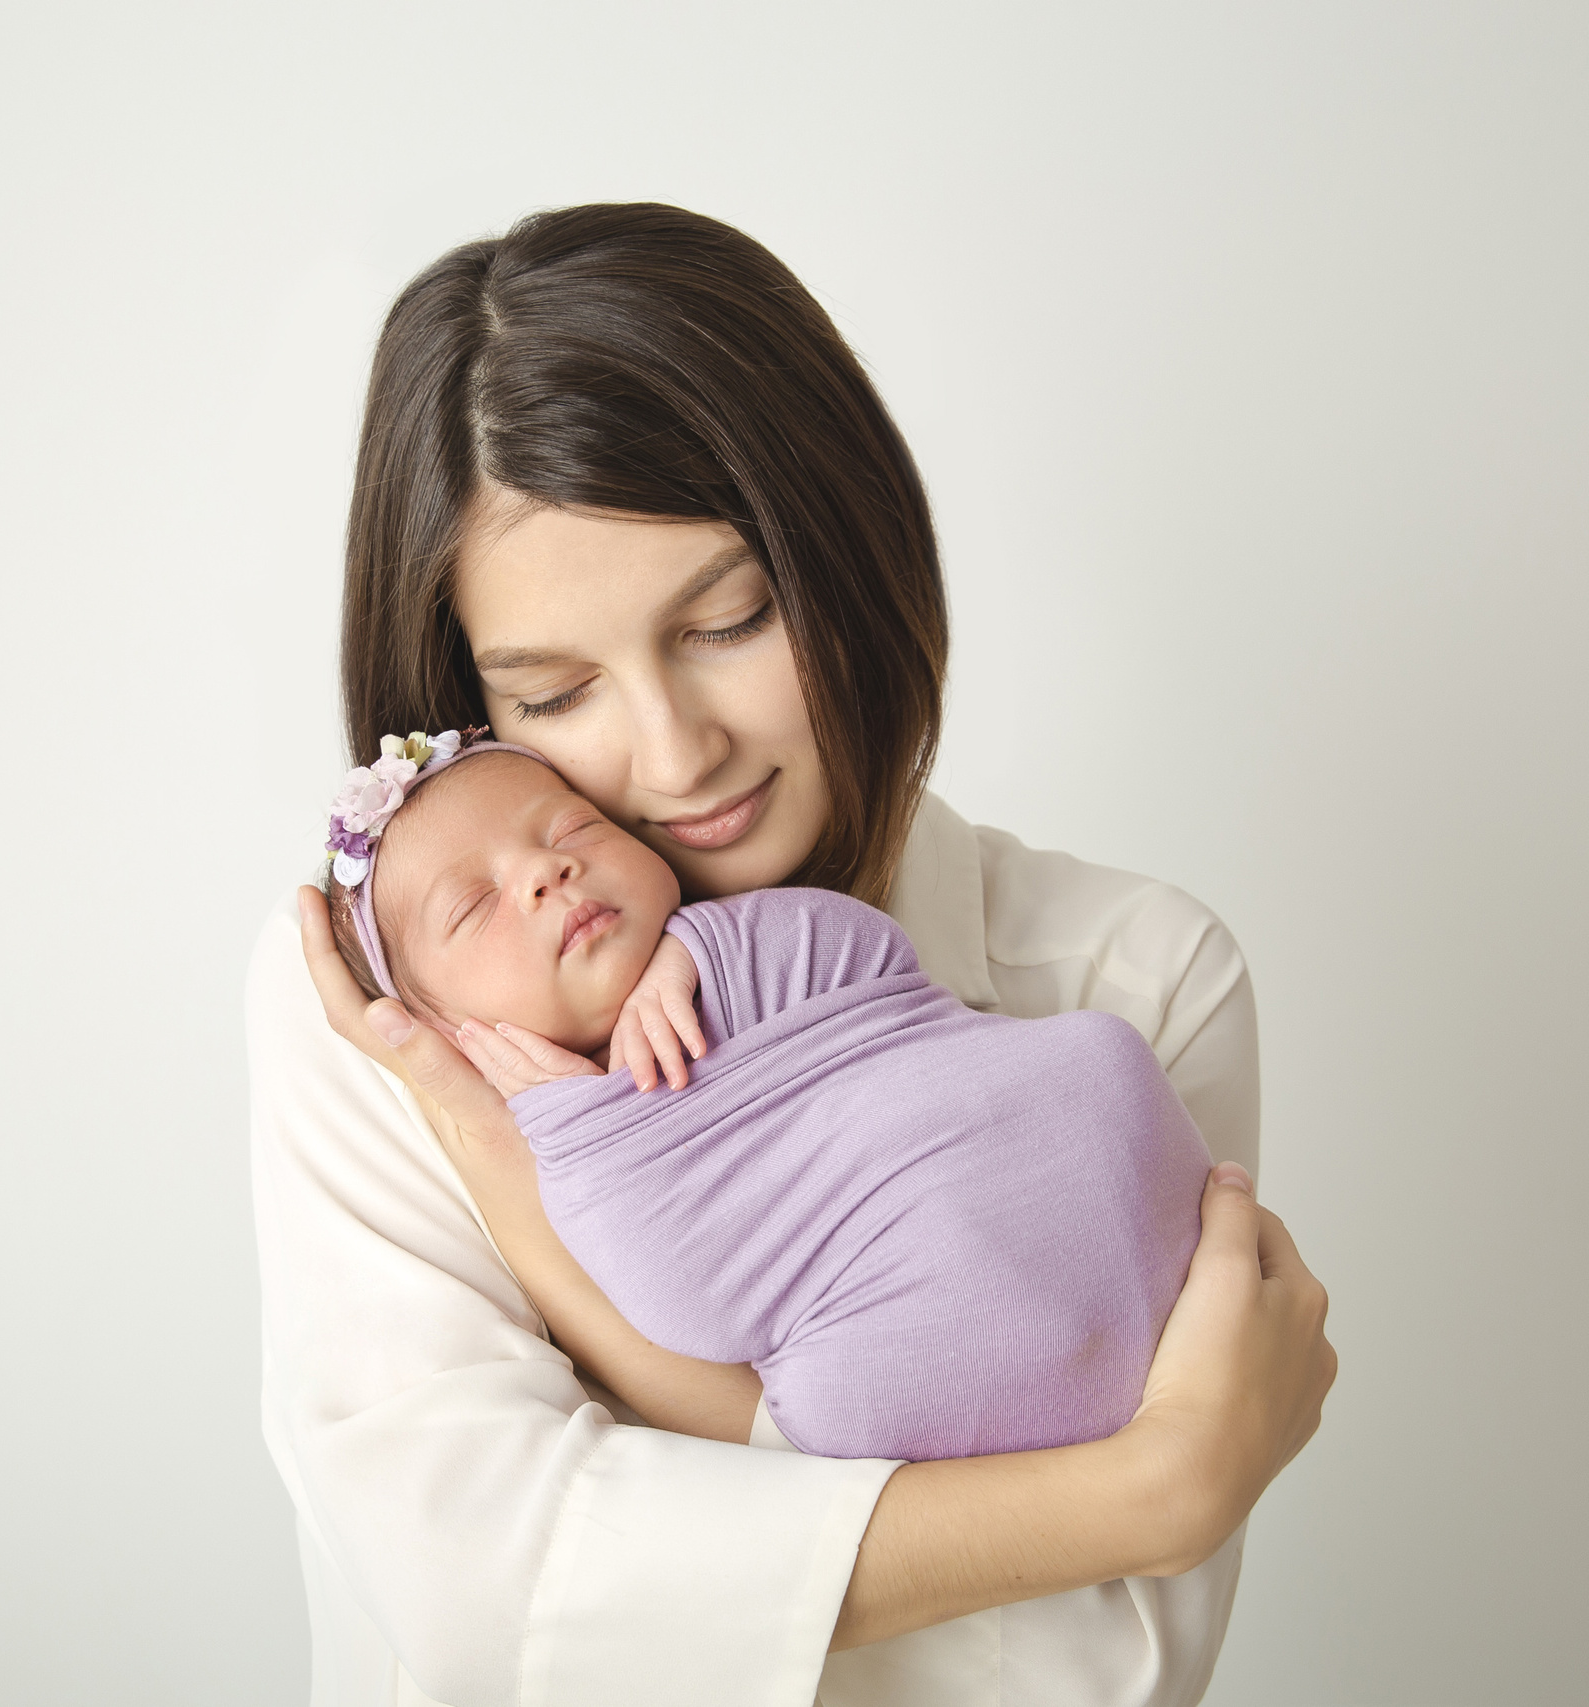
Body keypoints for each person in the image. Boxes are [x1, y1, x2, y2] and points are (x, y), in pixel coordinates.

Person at [246, 201, 1335, 1707]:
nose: (674, 749)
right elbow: (474, 1594)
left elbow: (1093, 1659)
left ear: (851, 543)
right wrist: (1141, 1492)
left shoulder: (1132, 977)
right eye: (555, 693)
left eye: (732, 618)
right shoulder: (396, 1008)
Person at [315, 731, 1213, 1465]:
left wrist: (699, 953)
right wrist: (580, 1129)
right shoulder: (558, 1145)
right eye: (474, 905)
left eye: (573, 830)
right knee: (827, 1408)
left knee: (1104, 1055)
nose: (547, 875)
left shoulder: (736, 935)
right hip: (925, 1308)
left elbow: (876, 966)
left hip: (1065, 1131)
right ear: (439, 1027)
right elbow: (696, 1303)